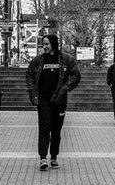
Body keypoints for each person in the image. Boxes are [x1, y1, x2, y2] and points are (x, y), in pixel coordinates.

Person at [26, 34, 81, 170]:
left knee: (56, 130)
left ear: (54, 44)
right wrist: (33, 93)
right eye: (43, 44)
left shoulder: (67, 59)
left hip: (59, 100)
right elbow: (29, 75)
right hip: (43, 99)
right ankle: (43, 158)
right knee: (44, 128)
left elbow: (76, 75)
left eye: (47, 44)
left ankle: (54, 156)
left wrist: (65, 88)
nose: (44, 46)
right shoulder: (38, 60)